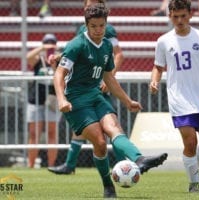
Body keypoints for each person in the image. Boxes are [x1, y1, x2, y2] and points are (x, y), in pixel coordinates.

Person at [52, 3, 167, 198]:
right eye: (94, 26)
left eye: (101, 26)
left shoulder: (106, 45)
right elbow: (59, 74)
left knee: (115, 129)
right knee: (100, 142)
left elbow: (109, 78)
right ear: (86, 25)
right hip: (76, 101)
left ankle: (140, 160)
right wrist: (62, 99)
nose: (98, 30)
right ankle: (108, 186)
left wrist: (127, 101)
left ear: (106, 24)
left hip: (96, 96)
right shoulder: (76, 44)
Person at [149, 0, 199, 193]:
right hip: (179, 99)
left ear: (190, 14)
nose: (179, 20)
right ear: (169, 16)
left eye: (183, 16)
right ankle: (195, 184)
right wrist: (154, 81)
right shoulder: (163, 41)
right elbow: (158, 66)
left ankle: (193, 170)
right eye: (175, 16)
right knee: (190, 142)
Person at [48, 0, 126, 175]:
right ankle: (70, 164)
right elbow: (78, 51)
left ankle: (125, 164)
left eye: (92, 4)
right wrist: (59, 56)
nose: (88, 7)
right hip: (82, 88)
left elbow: (118, 54)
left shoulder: (107, 30)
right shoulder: (84, 28)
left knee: (110, 128)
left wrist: (109, 77)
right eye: (86, 4)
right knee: (85, 127)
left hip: (97, 85)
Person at [26, 33, 60, 168]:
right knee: (34, 134)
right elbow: (28, 57)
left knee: (52, 134)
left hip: (52, 101)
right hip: (36, 100)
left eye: (52, 42)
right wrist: (42, 48)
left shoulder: (58, 58)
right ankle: (30, 165)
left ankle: (51, 165)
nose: (50, 45)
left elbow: (60, 72)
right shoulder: (38, 60)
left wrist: (54, 57)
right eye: (47, 42)